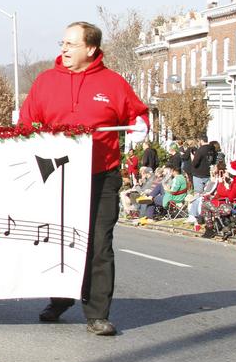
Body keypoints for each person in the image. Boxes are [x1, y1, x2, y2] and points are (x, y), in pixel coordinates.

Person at [19, 21, 149, 336]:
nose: (63, 49)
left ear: (90, 49)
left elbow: (138, 113)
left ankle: (97, 314)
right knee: (61, 242)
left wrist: (141, 124)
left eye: (70, 44)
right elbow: (25, 122)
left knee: (99, 243)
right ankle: (61, 299)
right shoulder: (45, 82)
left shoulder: (114, 83)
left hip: (101, 175)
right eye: (62, 43)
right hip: (58, 178)